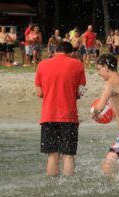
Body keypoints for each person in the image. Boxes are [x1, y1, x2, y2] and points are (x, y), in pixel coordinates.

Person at [35, 42, 86, 176]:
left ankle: (52, 185)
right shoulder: (78, 64)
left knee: (52, 155)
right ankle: (68, 186)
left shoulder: (42, 65)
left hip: (48, 115)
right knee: (68, 155)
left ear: (55, 51)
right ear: (70, 53)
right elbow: (81, 92)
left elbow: (39, 93)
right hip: (69, 116)